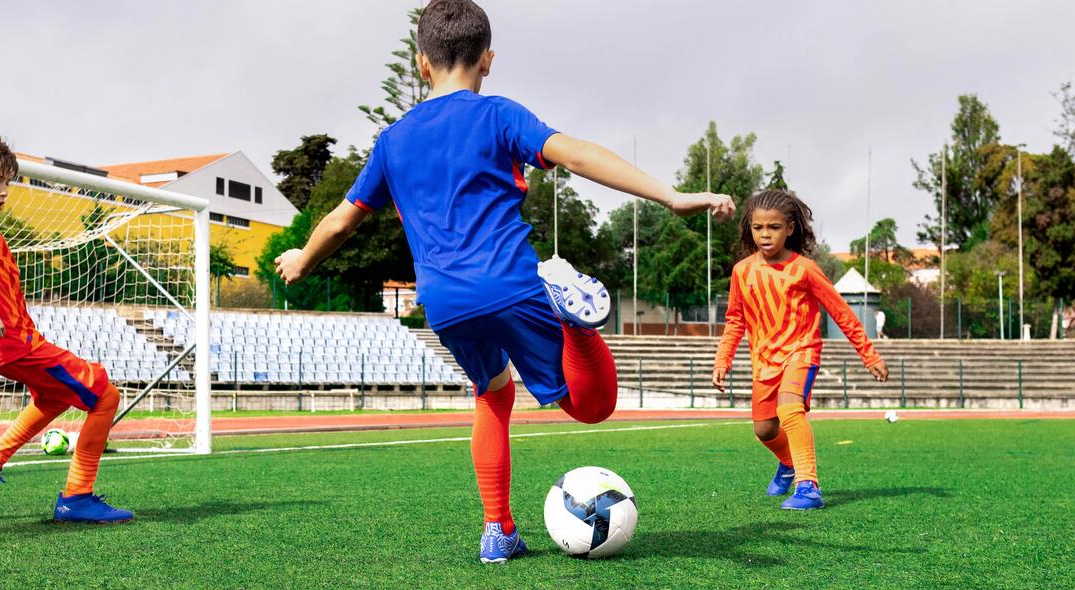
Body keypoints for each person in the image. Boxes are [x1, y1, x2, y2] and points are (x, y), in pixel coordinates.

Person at [273, 0, 732, 563]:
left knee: (491, 395)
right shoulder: (497, 115)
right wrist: (671, 195)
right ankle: (578, 324)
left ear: (421, 63)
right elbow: (579, 155)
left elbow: (342, 220)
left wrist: (302, 259)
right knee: (593, 408)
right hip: (510, 285)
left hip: (442, 302)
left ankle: (498, 530)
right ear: (487, 60)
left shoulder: (393, 140)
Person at [0, 133, 131, 524]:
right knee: (105, 395)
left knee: (54, 396)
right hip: (11, 340)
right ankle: (78, 497)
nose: (3, 191)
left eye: (6, 183)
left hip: (12, 340)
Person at [712, 189, 889, 511]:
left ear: (790, 228)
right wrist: (723, 358)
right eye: (758, 227)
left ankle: (808, 486)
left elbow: (841, 312)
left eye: (774, 227)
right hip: (764, 359)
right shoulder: (742, 271)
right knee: (764, 430)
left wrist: (869, 354)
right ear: (749, 229)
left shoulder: (805, 268)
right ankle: (788, 462)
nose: (765, 234)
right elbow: (735, 318)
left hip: (801, 350)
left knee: (790, 410)